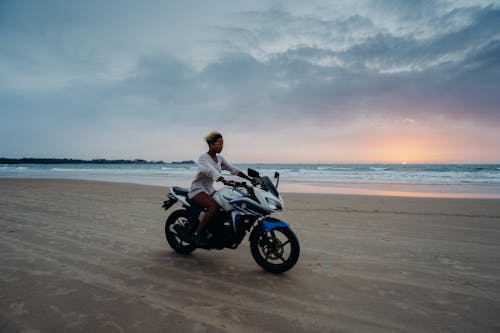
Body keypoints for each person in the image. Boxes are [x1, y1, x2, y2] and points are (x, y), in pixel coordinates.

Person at [187, 131, 251, 247]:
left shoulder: (220, 158)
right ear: (211, 144)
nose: (222, 146)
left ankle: (215, 232)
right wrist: (223, 180)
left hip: (209, 190)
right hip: (197, 190)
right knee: (213, 207)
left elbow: (233, 169)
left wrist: (250, 178)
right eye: (219, 143)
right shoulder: (203, 158)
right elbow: (210, 171)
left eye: (222, 144)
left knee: (225, 206)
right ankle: (197, 234)